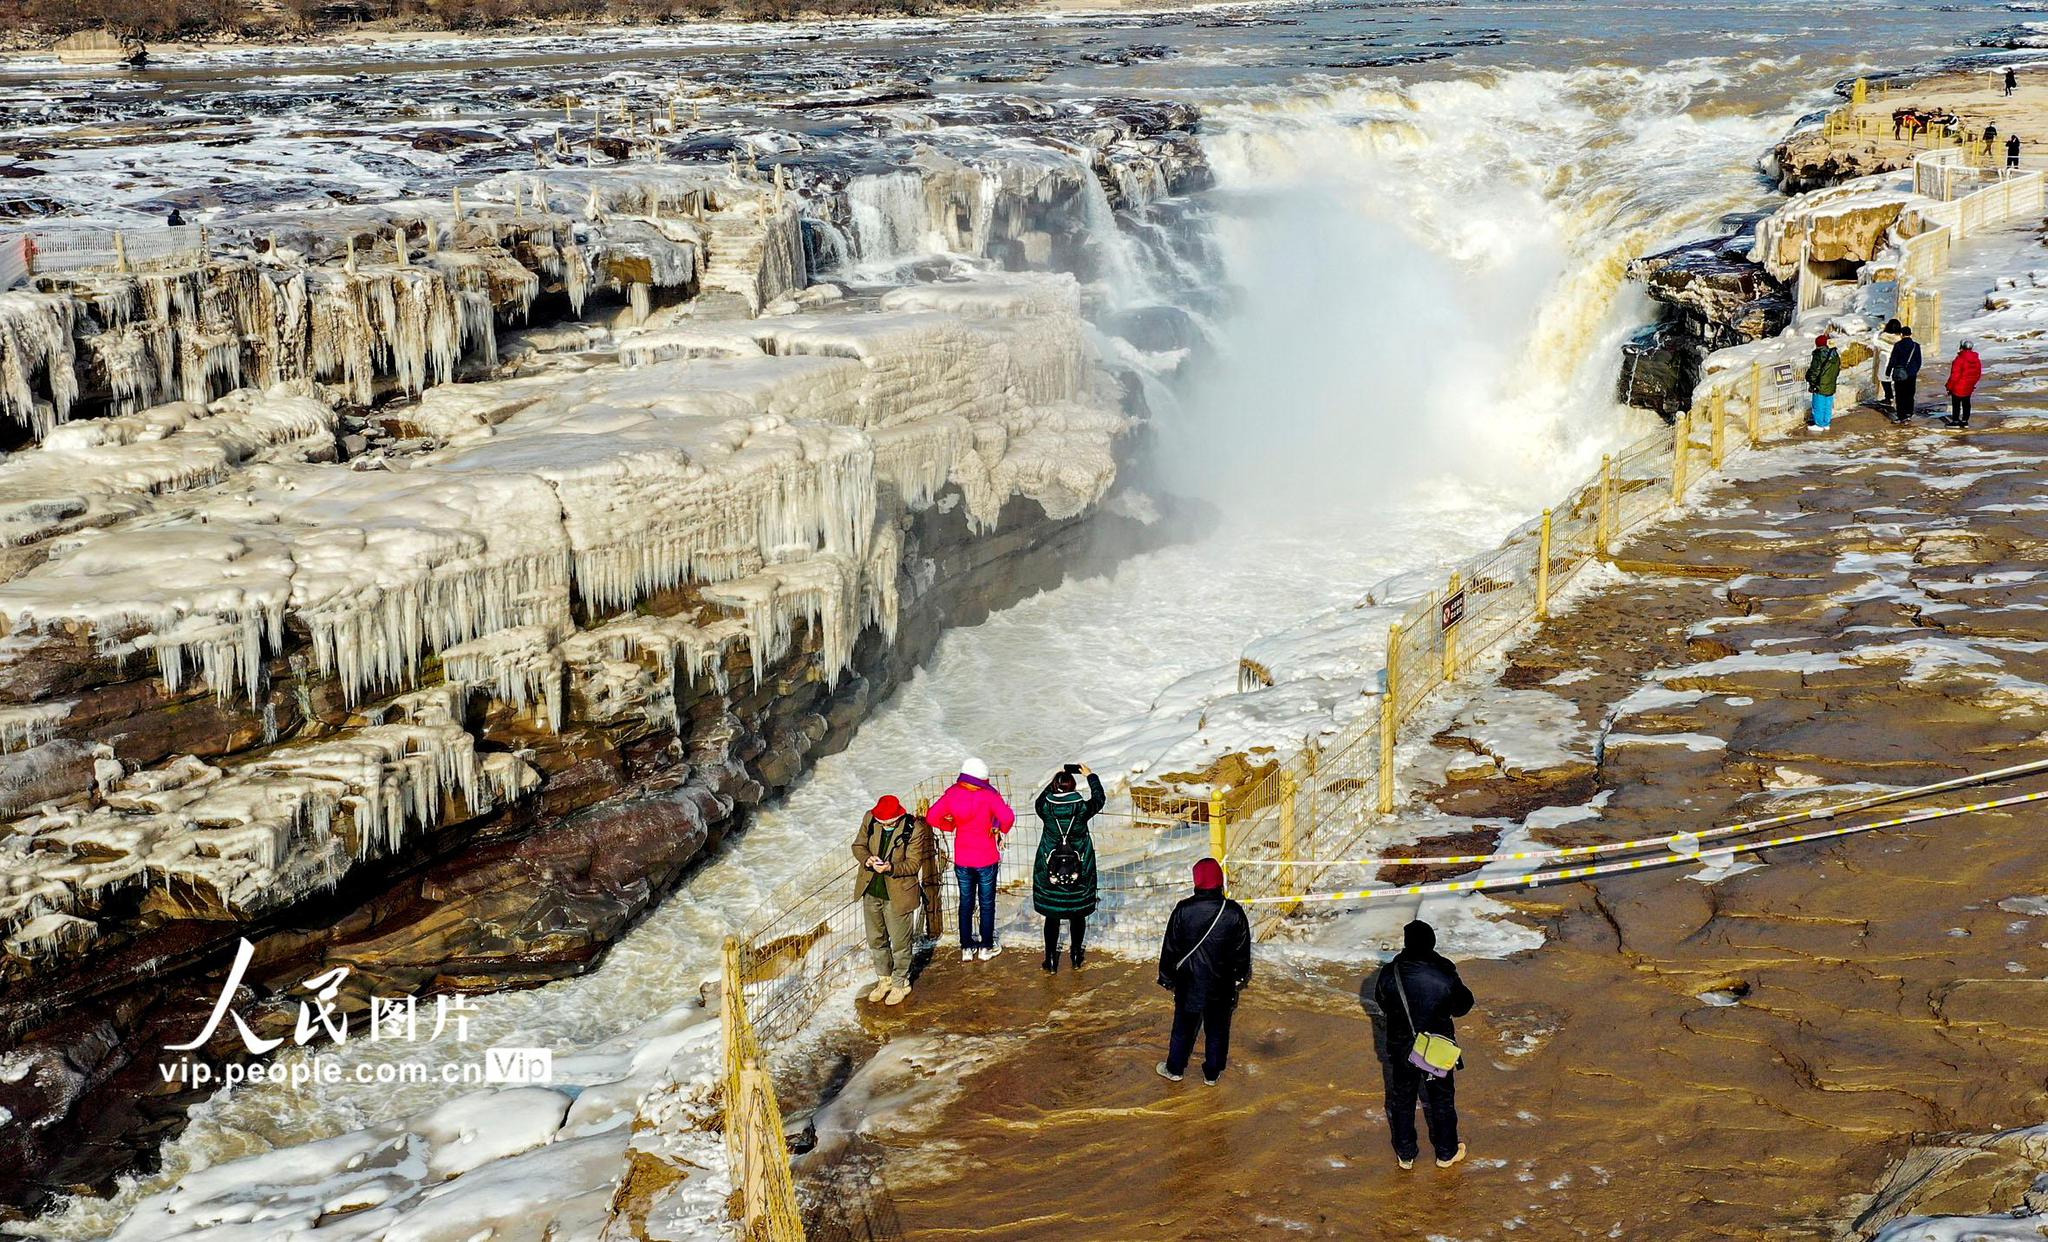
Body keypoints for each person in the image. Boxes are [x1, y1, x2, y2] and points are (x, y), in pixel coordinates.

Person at [1372, 920, 1475, 1170]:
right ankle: (1446, 1153)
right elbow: (1462, 1005)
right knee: (1441, 1100)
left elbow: (1382, 1001)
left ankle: (1406, 1154)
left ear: (1407, 943)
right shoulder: (1444, 970)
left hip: (1403, 1048)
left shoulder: (1390, 972)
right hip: (1436, 1047)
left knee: (1402, 1099)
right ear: (1432, 942)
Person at [1155, 858, 1252, 1086]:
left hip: (1189, 984)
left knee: (1183, 1028)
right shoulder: (1234, 912)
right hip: (1221, 985)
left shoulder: (1183, 910)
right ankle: (1212, 1073)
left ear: (1196, 881)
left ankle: (1175, 1069)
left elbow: (1170, 948)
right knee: (1217, 1030)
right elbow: (1242, 951)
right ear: (1220, 881)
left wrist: (1167, 977)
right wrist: (1239, 976)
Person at [929, 758, 1015, 962]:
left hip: (963, 858)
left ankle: (966, 947)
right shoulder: (989, 795)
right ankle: (985, 947)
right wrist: (999, 830)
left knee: (966, 903)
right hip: (986, 858)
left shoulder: (952, 793)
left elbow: (932, 816)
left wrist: (951, 827)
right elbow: (1008, 818)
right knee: (986, 904)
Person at [852, 794, 928, 1006]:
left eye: (891, 822)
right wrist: (867, 859)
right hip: (871, 890)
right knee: (876, 939)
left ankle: (900, 983)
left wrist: (890, 868)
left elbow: (913, 864)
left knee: (901, 943)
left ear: (899, 815)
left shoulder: (914, 828)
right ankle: (884, 979)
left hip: (898, 895)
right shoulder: (870, 819)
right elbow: (858, 846)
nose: (886, 825)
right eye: (883, 822)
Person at [1032, 763, 1104, 973]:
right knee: (1077, 913)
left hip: (1050, 869)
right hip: (1079, 868)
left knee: (1052, 915)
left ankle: (1051, 960)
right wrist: (1090, 776)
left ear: (1055, 787)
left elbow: (1039, 800)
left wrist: (1055, 784)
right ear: (1073, 788)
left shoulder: (1045, 808)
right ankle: (1075, 956)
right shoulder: (1081, 809)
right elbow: (1099, 799)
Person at [1805, 333, 1841, 432]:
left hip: (1820, 383)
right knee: (1828, 404)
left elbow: (1815, 370)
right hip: (1831, 383)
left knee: (1818, 404)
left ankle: (1819, 424)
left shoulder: (1819, 354)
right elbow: (1837, 369)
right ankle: (1826, 423)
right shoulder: (1834, 354)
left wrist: (1810, 380)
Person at [1889, 324, 1924, 424]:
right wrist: (1914, 370)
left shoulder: (1898, 345)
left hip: (1900, 374)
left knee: (1900, 395)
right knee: (1910, 394)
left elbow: (1893, 359)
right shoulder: (1915, 346)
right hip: (1911, 374)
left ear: (1901, 334)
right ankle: (1909, 414)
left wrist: (1888, 371)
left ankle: (1901, 415)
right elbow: (1919, 360)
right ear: (1910, 334)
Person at [1944, 339, 1982, 428]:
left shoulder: (1959, 359)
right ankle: (1965, 421)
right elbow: (1978, 374)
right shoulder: (1976, 360)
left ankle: (1955, 421)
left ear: (1962, 347)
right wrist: (1972, 383)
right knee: (1966, 403)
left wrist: (1949, 386)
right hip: (1969, 385)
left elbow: (1954, 375)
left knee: (1956, 403)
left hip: (1958, 385)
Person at [1876, 318, 1904, 406]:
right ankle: (1899, 399)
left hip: (1885, 362)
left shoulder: (1882, 337)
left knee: (1885, 380)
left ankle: (1889, 397)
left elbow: (1876, 343)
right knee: (1898, 382)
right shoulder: (1900, 339)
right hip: (1897, 363)